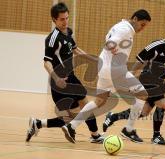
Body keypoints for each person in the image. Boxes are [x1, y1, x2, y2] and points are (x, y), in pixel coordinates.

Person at [102, 23, 165, 145]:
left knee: (144, 112)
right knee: (162, 104)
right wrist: (131, 77)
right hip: (148, 77)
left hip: (158, 81)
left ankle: (113, 117)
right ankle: (156, 136)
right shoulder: (157, 45)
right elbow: (140, 59)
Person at [62, 9, 151, 143]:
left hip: (104, 68)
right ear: (135, 19)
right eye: (142, 24)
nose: (142, 28)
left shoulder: (119, 25)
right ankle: (128, 129)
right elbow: (110, 42)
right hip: (114, 70)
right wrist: (112, 46)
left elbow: (108, 38)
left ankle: (71, 126)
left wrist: (111, 45)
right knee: (143, 94)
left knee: (99, 101)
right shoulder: (125, 29)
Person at [26, 2, 104, 143]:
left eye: (67, 18)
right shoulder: (52, 39)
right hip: (60, 82)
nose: (65, 22)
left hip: (71, 77)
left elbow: (75, 49)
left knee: (85, 107)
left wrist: (92, 59)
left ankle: (95, 135)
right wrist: (56, 78)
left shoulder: (68, 32)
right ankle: (38, 123)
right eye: (62, 19)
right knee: (71, 117)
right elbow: (46, 62)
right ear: (54, 20)